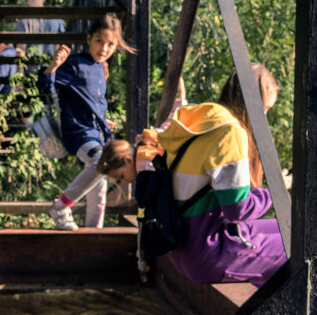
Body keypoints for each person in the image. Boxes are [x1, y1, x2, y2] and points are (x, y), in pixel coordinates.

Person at [98, 63, 288, 286]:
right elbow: (237, 209)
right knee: (302, 242)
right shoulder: (231, 132)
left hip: (185, 248)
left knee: (290, 225)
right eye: (264, 110)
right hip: (210, 251)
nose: (264, 119)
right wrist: (277, 189)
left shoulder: (201, 122)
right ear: (252, 103)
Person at [40, 12, 133, 231]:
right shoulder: (74, 64)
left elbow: (93, 101)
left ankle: (94, 231)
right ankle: (60, 207)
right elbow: (45, 87)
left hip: (98, 133)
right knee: (100, 161)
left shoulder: (102, 68)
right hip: (78, 132)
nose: (104, 48)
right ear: (89, 39)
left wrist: (103, 119)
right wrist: (54, 66)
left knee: (100, 180)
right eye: (99, 41)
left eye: (111, 44)